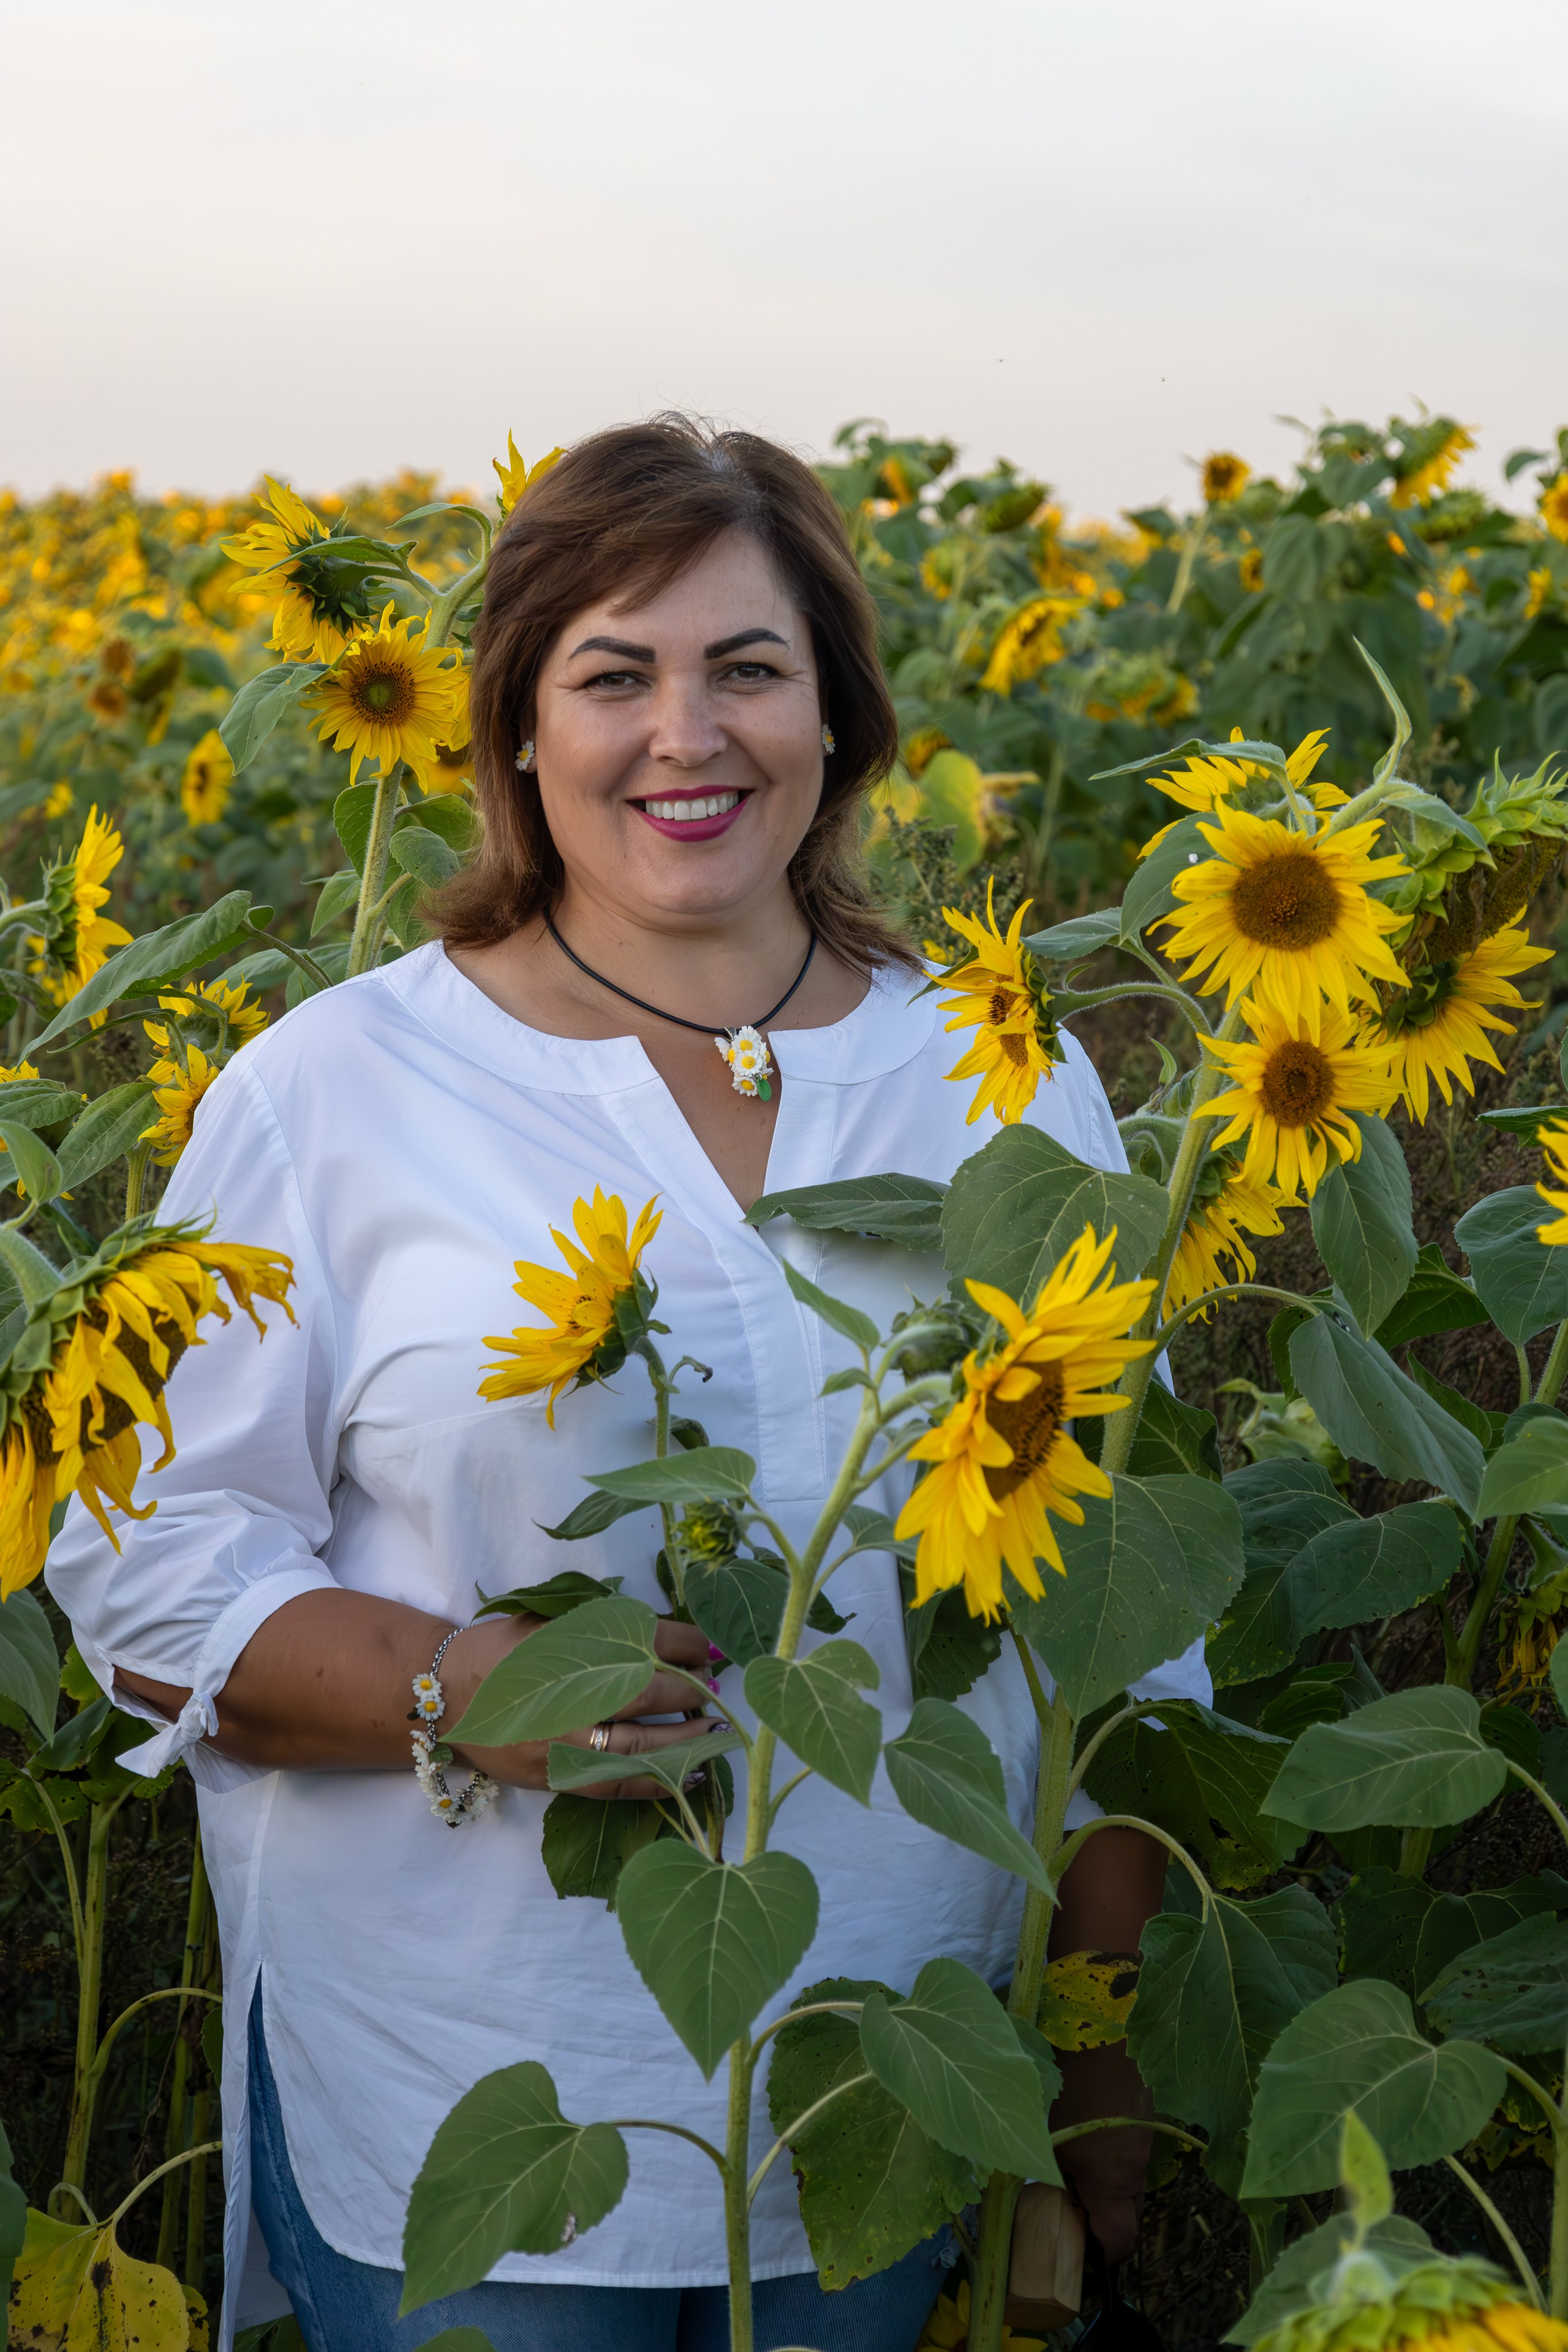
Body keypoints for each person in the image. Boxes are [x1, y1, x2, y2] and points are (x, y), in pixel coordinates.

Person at [48, 417, 1199, 2352]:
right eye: (613, 674)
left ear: (837, 715)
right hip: (467, 2082)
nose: (690, 733)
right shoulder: (335, 1092)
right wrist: (451, 1686)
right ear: (513, 731)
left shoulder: (1000, 1077)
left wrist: (1095, 2045)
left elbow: (1104, 1621)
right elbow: (148, 1565)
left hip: (889, 2087)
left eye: (749, 668)